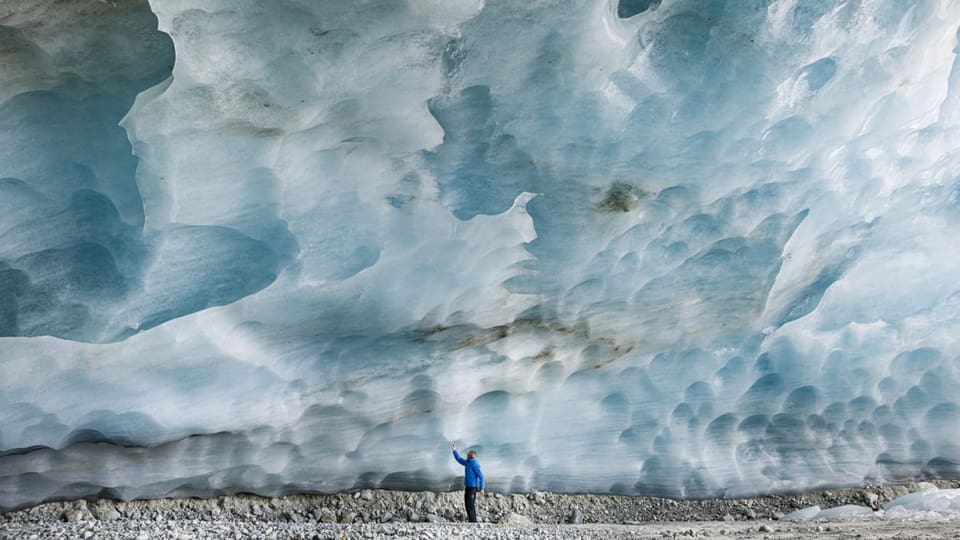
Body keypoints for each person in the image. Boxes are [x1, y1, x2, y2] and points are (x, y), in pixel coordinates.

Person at [450, 441, 484, 522]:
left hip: (472, 487)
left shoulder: (474, 464)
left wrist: (482, 488)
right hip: (468, 487)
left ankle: (473, 522)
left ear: (473, 456)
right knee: (467, 504)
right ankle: (471, 521)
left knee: (470, 504)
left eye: (469, 455)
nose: (467, 456)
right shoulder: (468, 462)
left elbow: (481, 476)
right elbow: (459, 459)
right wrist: (454, 450)